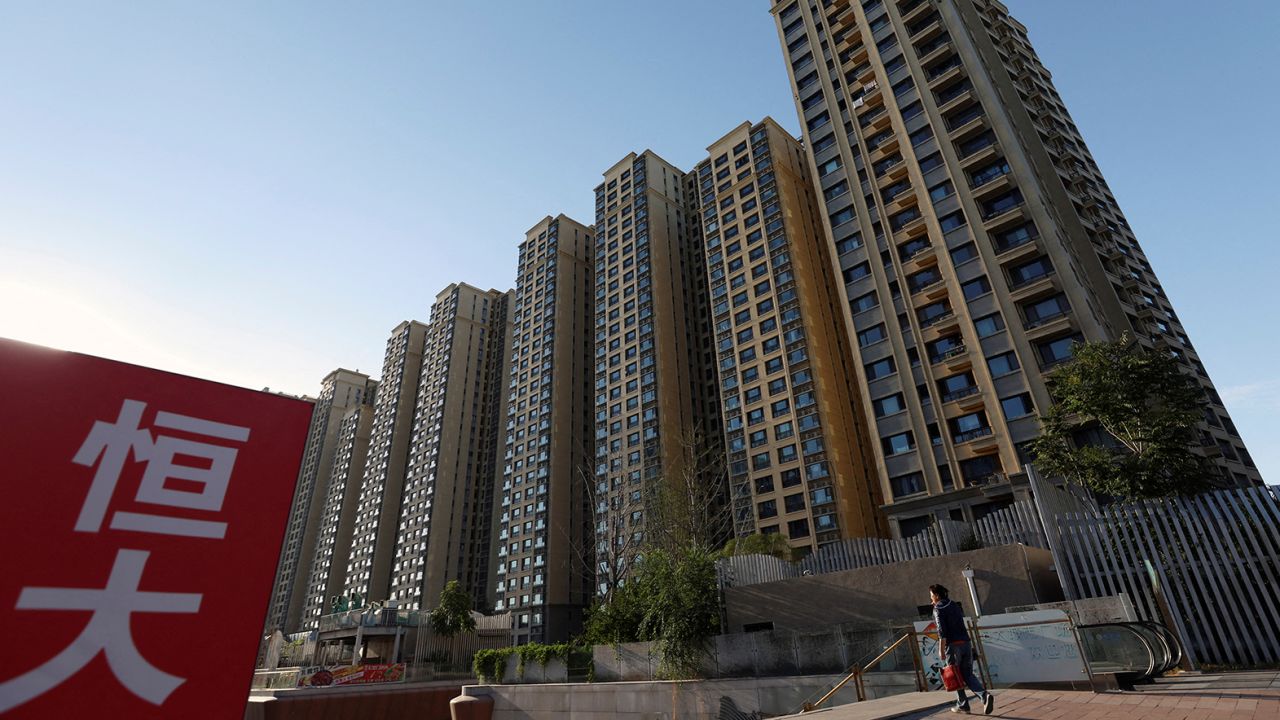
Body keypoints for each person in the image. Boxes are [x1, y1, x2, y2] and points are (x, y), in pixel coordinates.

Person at [930, 583, 993, 714]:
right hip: (966, 643)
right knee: (968, 674)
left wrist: (941, 650)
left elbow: (942, 631)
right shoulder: (954, 605)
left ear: (936, 595)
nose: (931, 598)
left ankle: (963, 704)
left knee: (955, 676)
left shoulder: (938, 609)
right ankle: (984, 696)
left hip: (953, 647)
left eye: (931, 596)